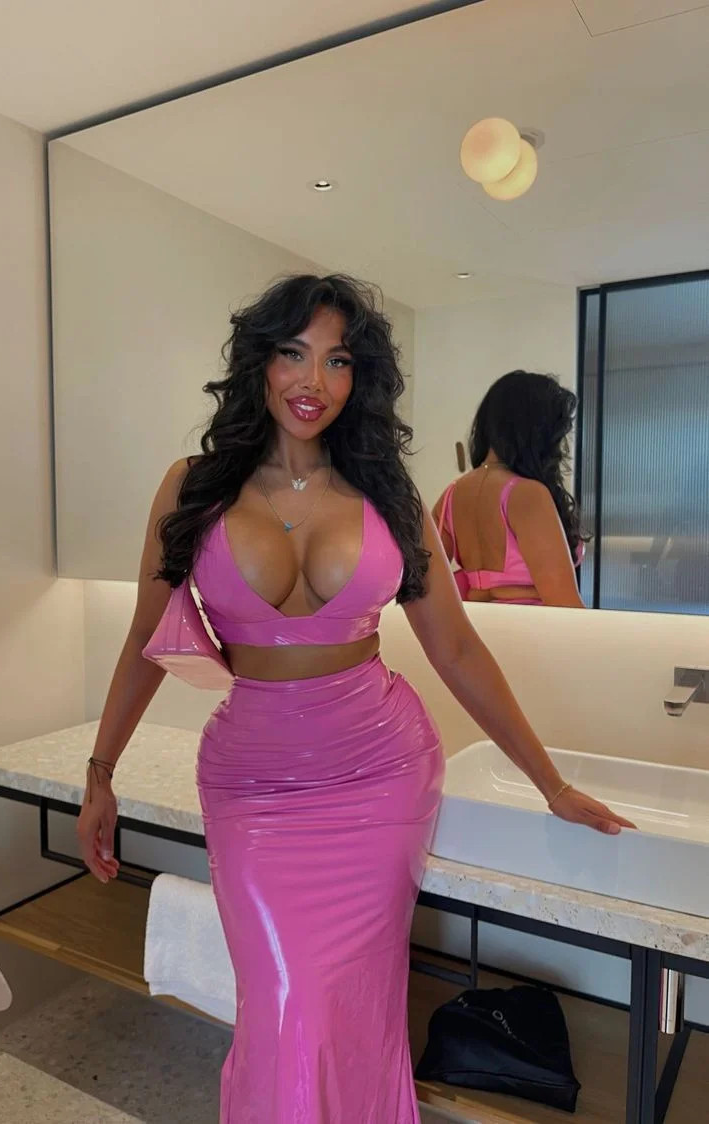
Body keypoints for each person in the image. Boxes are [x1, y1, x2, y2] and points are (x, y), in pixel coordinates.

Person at [76, 276, 632, 1123]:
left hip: (379, 776)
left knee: (353, 1008)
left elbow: (455, 649)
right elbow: (144, 641)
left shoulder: (387, 494)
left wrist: (548, 783)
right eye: (292, 353)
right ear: (258, 362)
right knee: (283, 1004)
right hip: (252, 788)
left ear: (358, 376)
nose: (314, 380)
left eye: (337, 360)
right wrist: (100, 773)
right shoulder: (191, 486)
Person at [433, 370, 587, 607]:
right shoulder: (527, 495)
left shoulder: (451, 495)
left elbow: (425, 587)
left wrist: (485, 591)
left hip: (474, 626)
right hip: (530, 629)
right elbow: (566, 607)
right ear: (538, 432)